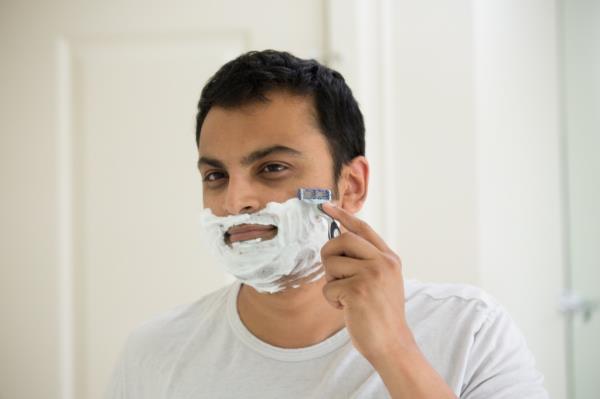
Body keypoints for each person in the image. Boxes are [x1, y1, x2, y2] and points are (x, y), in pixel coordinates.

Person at [106, 50, 549, 398]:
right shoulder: (154, 353)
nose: (235, 201)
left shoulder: (469, 330)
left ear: (351, 186)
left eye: (273, 168)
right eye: (215, 176)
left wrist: (394, 350)